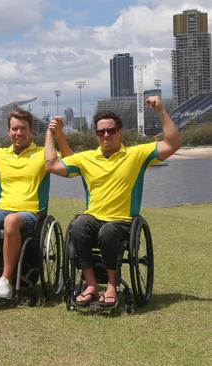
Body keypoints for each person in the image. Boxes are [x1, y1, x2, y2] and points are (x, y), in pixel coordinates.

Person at [44, 96, 180, 307]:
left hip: (122, 221)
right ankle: (90, 285)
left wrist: (161, 111)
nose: (106, 135)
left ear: (119, 131)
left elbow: (172, 144)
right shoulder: (85, 158)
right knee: (78, 226)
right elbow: (51, 165)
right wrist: (50, 134)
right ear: (96, 134)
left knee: (107, 231)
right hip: (93, 217)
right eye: (101, 131)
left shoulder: (137, 154)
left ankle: (110, 285)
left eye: (110, 130)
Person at [0, 108, 72, 298]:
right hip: (2, 209)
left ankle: (5, 281)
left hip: (31, 213)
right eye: (15, 129)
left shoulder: (43, 153)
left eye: (23, 129)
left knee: (11, 220)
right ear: (9, 131)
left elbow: (70, 164)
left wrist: (58, 135)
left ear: (31, 131)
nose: (19, 133)